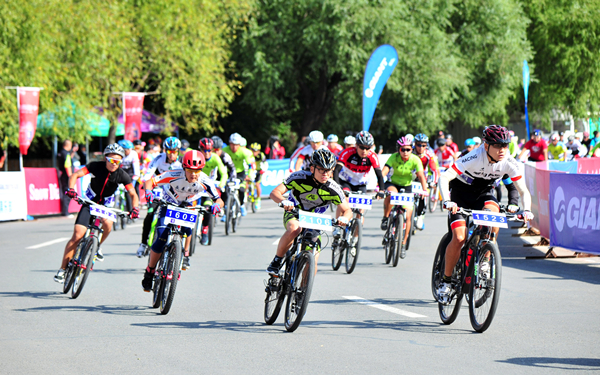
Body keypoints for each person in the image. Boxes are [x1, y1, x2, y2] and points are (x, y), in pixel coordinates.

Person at [436, 125, 533, 304]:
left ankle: (485, 261)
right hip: (460, 195)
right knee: (458, 237)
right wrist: (447, 201)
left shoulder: (509, 162)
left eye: (505, 145)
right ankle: (446, 281)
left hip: (483, 194)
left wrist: (526, 210)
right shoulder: (473, 156)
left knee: (494, 218)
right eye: (497, 145)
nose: (502, 150)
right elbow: (444, 177)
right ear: (486, 146)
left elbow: (522, 191)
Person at [54, 144, 140, 283]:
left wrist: (135, 208)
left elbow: (133, 194)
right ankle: (62, 270)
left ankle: (97, 245)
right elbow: (76, 174)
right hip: (89, 203)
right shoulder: (95, 166)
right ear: (106, 159)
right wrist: (71, 188)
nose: (114, 164)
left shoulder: (122, 175)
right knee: (77, 236)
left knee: (108, 225)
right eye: (111, 160)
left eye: (117, 161)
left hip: (105, 206)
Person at [141, 150, 223, 289]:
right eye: (190, 170)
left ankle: (184, 255)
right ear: (184, 168)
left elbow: (218, 199)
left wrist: (217, 205)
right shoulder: (174, 174)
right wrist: (148, 191)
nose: (193, 174)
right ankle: (150, 271)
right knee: (161, 238)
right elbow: (150, 182)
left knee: (187, 229)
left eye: (197, 171)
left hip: (188, 206)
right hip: (169, 203)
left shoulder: (204, 180)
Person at [266, 148, 352, 275]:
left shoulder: (334, 188)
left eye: (328, 170)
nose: (325, 174)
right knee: (295, 229)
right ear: (312, 169)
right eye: (321, 169)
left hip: (315, 220)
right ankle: (277, 260)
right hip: (294, 212)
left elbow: (347, 210)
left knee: (313, 261)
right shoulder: (298, 177)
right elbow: (275, 192)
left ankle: (302, 292)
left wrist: (344, 218)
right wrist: (283, 201)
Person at [380, 136, 428, 258]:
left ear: (411, 150)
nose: (405, 152)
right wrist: (379, 186)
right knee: (391, 194)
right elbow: (384, 171)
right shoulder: (393, 157)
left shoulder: (415, 159)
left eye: (408, 149)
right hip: (393, 183)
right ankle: (386, 217)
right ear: (398, 149)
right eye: (403, 149)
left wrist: (425, 189)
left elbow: (421, 175)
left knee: (407, 216)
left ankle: (403, 243)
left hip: (407, 186)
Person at [136, 137, 182, 257]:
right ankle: (143, 243)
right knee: (150, 213)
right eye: (169, 151)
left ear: (178, 151)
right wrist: (147, 188)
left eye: (174, 152)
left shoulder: (181, 162)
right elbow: (148, 174)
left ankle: (180, 249)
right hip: (158, 189)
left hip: (174, 192)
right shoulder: (159, 158)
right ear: (165, 150)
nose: (171, 155)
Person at [223, 133, 256, 217]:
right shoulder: (225, 150)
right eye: (232, 145)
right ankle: (225, 209)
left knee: (241, 190)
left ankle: (241, 205)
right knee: (225, 190)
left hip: (240, 173)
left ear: (239, 145)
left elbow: (250, 165)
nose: (234, 147)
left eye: (236, 145)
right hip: (229, 172)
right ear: (229, 144)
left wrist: (249, 175)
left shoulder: (244, 152)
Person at [413, 133, 440, 230]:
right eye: (418, 145)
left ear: (426, 146)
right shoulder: (409, 151)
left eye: (423, 145)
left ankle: (420, 216)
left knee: (423, 197)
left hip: (423, 177)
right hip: (410, 176)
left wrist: (434, 182)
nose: (421, 148)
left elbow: (434, 170)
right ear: (414, 144)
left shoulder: (429, 154)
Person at [118, 140, 141, 211]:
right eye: (126, 150)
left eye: (129, 150)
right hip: (121, 174)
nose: (128, 151)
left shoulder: (133, 154)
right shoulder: (119, 154)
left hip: (130, 175)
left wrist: (135, 178)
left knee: (128, 193)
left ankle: (130, 211)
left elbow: (136, 168)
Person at [57, 140, 73, 217]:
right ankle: (65, 212)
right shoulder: (66, 154)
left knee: (64, 192)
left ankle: (64, 211)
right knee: (67, 193)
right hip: (66, 176)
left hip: (62, 175)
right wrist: (70, 177)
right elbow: (67, 165)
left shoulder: (61, 153)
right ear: (68, 145)